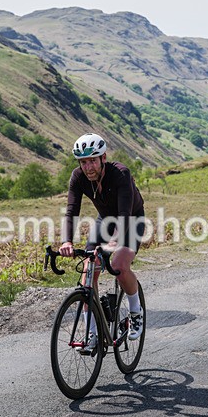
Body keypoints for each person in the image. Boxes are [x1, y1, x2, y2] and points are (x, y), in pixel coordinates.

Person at [60, 133, 145, 351]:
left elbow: (124, 214)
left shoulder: (120, 174)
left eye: (92, 161)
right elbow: (71, 211)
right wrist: (67, 241)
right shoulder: (78, 177)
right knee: (88, 271)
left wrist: (114, 242)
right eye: (83, 162)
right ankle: (92, 334)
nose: (88, 167)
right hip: (105, 220)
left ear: (103, 158)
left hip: (131, 219)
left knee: (119, 265)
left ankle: (136, 312)